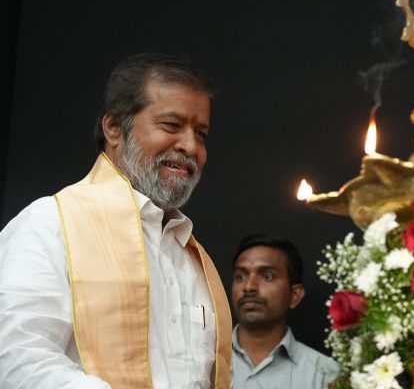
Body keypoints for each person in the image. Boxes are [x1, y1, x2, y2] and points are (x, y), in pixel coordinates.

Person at [0, 53, 231, 388]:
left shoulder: (193, 258)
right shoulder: (50, 224)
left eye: (202, 133)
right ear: (113, 127)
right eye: (171, 126)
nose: (190, 146)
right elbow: (15, 359)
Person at [231, 233, 338, 389]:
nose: (249, 287)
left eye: (267, 276)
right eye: (240, 276)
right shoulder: (204, 361)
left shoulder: (326, 375)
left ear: (294, 295)